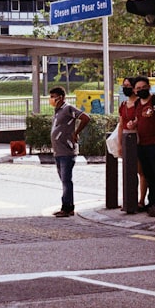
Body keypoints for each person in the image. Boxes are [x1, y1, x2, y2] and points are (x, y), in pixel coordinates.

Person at [48, 86, 91, 218]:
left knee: (67, 180)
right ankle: (66, 206)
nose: (51, 100)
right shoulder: (57, 111)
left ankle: (67, 208)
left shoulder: (68, 108)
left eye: (52, 97)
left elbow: (85, 118)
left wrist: (76, 132)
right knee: (63, 180)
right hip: (58, 151)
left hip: (67, 151)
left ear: (60, 97)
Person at [129, 76, 155, 208]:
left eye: (144, 87)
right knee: (147, 174)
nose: (141, 90)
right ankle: (151, 200)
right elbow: (138, 119)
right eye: (138, 88)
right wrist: (133, 123)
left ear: (149, 87)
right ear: (135, 91)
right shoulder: (137, 103)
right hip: (141, 144)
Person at [116, 76, 148, 209]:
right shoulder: (123, 105)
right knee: (130, 171)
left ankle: (141, 200)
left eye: (129, 85)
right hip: (127, 140)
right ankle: (130, 199)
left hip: (139, 140)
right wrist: (119, 144)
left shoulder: (140, 104)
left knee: (141, 171)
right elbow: (121, 124)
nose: (126, 88)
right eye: (124, 85)